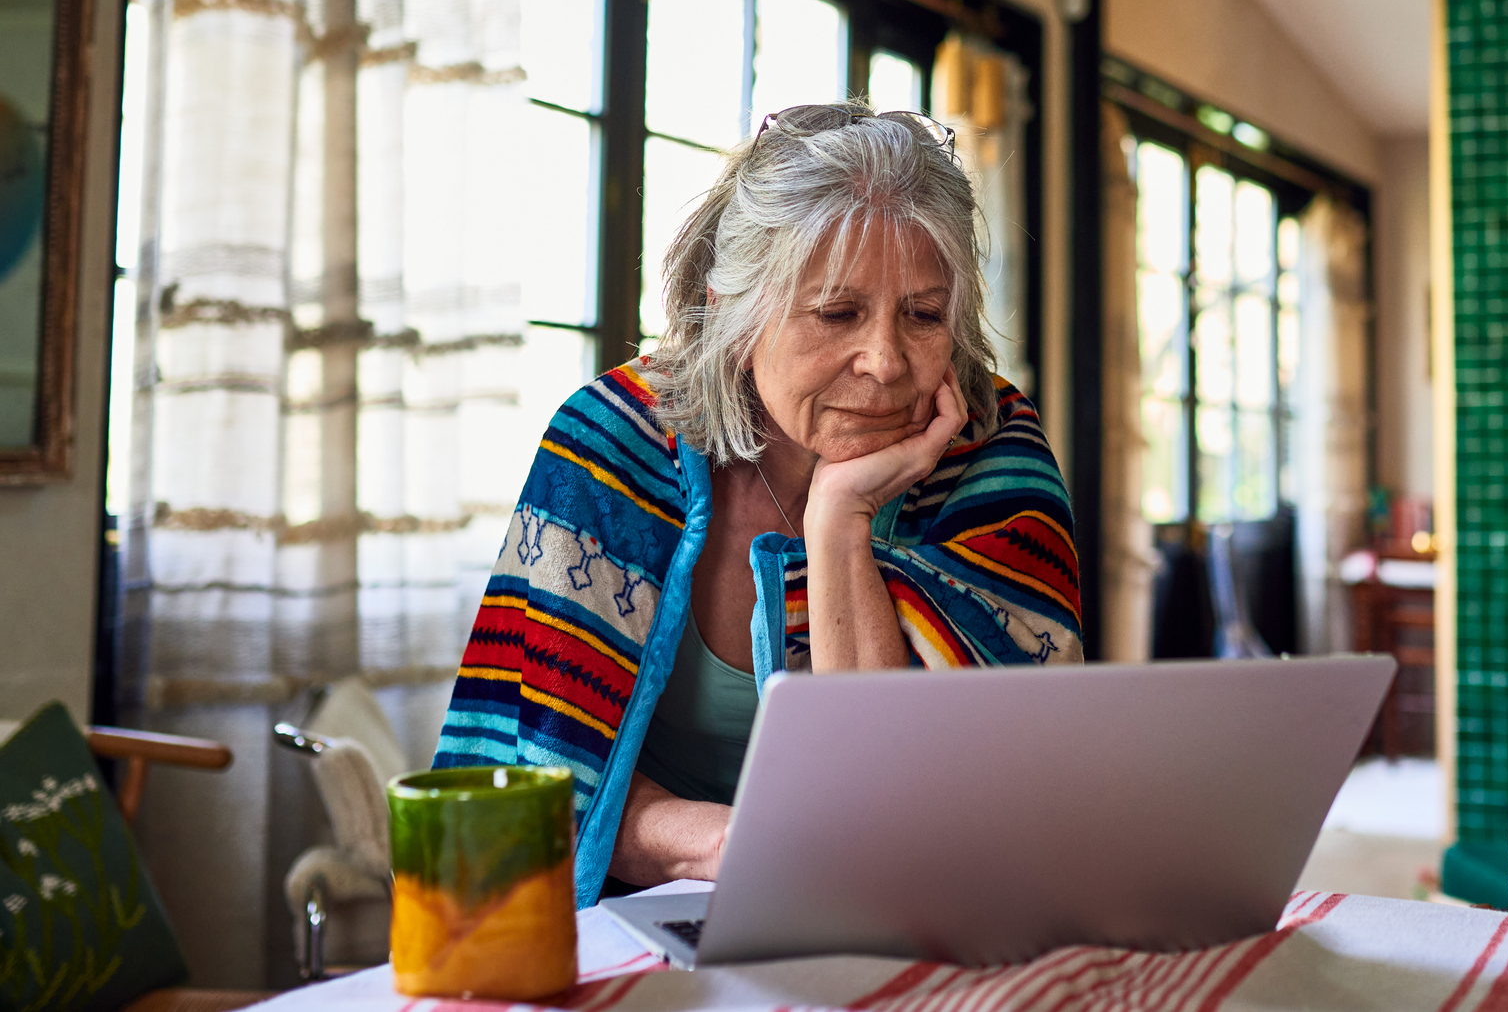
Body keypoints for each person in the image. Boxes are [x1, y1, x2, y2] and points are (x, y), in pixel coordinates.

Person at [432, 104, 1082, 907]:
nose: (884, 362)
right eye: (837, 312)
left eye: (922, 314)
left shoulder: (992, 455)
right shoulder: (609, 444)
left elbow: (931, 812)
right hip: (636, 914)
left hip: (921, 919)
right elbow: (536, 777)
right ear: (736, 314)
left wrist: (840, 521)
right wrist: (729, 840)